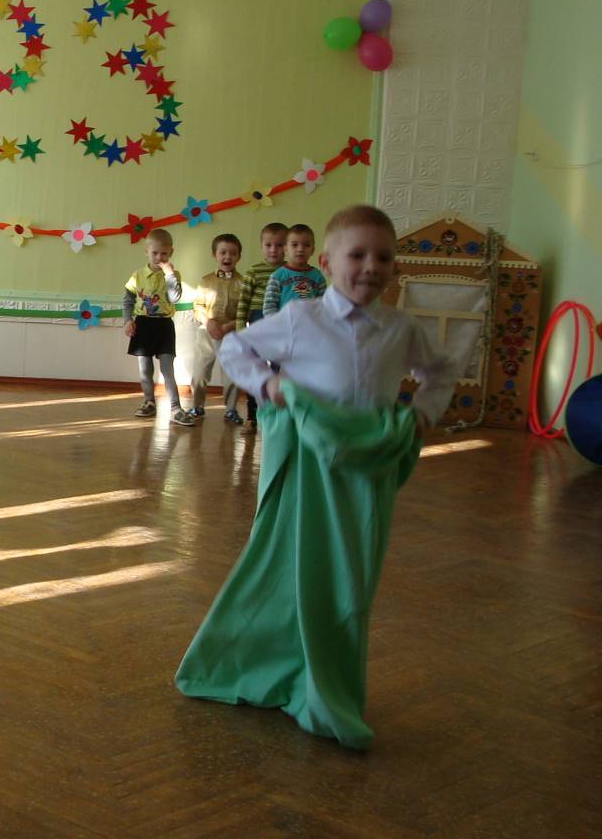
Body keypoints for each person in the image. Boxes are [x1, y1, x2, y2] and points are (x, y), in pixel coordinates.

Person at [174, 205, 459, 749]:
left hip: (366, 470)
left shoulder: (400, 328)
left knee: (350, 578)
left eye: (383, 258)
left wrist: (423, 414)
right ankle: (253, 662)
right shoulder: (302, 319)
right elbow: (236, 346)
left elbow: (440, 371)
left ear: (394, 268)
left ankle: (326, 687)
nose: (371, 267)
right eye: (358, 255)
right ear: (327, 263)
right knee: (290, 567)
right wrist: (270, 386)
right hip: (306, 465)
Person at [122, 229, 196, 426]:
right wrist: (127, 320)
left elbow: (175, 298)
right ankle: (148, 402)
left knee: (167, 368)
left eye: (164, 253)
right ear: (146, 251)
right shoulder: (137, 276)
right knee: (145, 368)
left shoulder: (173, 275)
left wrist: (170, 275)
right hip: (143, 324)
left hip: (164, 325)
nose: (159, 258)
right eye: (154, 253)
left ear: (171, 253)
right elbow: (128, 300)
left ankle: (175, 408)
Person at [183, 233, 245, 423]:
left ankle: (231, 409)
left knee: (232, 375)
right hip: (207, 333)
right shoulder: (206, 281)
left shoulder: (243, 283)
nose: (227, 257)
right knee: (200, 372)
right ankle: (197, 406)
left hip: (232, 334)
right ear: (214, 255)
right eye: (223, 252)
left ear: (239, 257)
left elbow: (245, 311)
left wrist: (228, 326)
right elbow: (198, 306)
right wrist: (209, 322)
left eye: (233, 253)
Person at [235, 222, 289, 435]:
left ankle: (276, 416)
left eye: (279, 245)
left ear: (287, 247)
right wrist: (241, 328)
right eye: (268, 245)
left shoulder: (288, 272)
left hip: (281, 324)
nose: (273, 250)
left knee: (278, 370)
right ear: (261, 247)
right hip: (257, 321)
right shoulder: (254, 272)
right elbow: (243, 301)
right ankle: (251, 417)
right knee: (256, 369)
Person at [262, 223, 327, 315]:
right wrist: (276, 323)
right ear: (285, 249)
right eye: (294, 245)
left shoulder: (318, 277)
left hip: (310, 323)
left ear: (312, 250)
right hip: (284, 323)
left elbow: (324, 306)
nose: (300, 249)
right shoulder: (277, 276)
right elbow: (269, 307)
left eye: (306, 245)